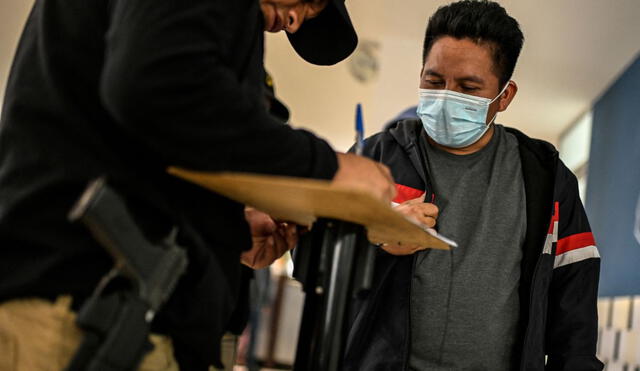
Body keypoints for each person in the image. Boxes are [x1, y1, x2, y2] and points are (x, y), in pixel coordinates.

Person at [0, 0, 396, 370]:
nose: (295, 20)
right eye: (306, 0)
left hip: (104, 305)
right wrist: (327, 168)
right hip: (83, 312)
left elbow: (148, 129)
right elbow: (158, 85)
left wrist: (225, 221)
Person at [344, 1, 603, 370]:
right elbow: (311, 262)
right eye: (434, 81)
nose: (446, 96)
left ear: (505, 96)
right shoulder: (375, 158)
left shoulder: (545, 178)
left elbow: (574, 300)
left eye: (468, 87)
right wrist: (375, 236)